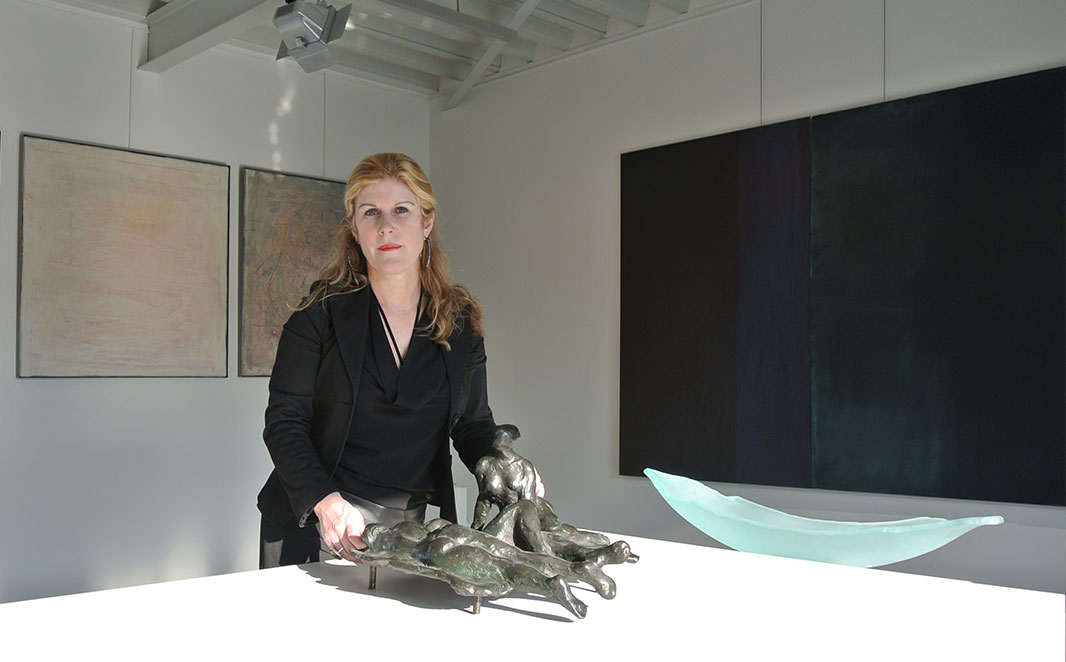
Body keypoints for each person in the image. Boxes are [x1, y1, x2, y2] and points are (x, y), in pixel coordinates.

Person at [257, 152, 498, 568]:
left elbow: (472, 425)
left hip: (412, 532)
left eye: (401, 210)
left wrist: (501, 464)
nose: (386, 226)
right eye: (371, 212)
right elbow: (285, 423)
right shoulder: (318, 314)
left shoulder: (459, 321)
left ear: (426, 222)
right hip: (317, 524)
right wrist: (326, 503)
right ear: (354, 228)